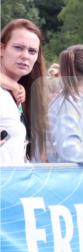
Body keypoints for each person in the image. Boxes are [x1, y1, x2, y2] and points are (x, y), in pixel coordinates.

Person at [0, 19, 49, 164]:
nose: (25, 56)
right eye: (18, 48)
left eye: (32, 51)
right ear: (2, 49)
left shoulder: (20, 97)